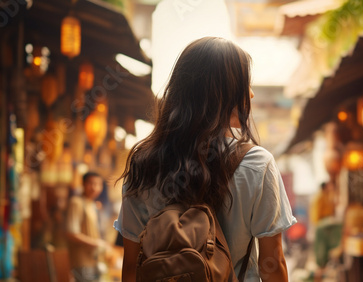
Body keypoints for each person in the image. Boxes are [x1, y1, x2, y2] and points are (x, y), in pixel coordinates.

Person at [114, 36, 296, 281]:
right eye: (245, 85)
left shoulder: (144, 164)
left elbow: (131, 268)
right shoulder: (256, 164)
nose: (251, 95)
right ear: (224, 93)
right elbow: (272, 265)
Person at [67, 171, 111, 282]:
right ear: (83, 184)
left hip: (95, 259)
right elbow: (72, 233)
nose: (94, 187)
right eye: (91, 183)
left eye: (98, 184)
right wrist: (97, 243)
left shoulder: (93, 204)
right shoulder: (76, 202)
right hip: (82, 261)